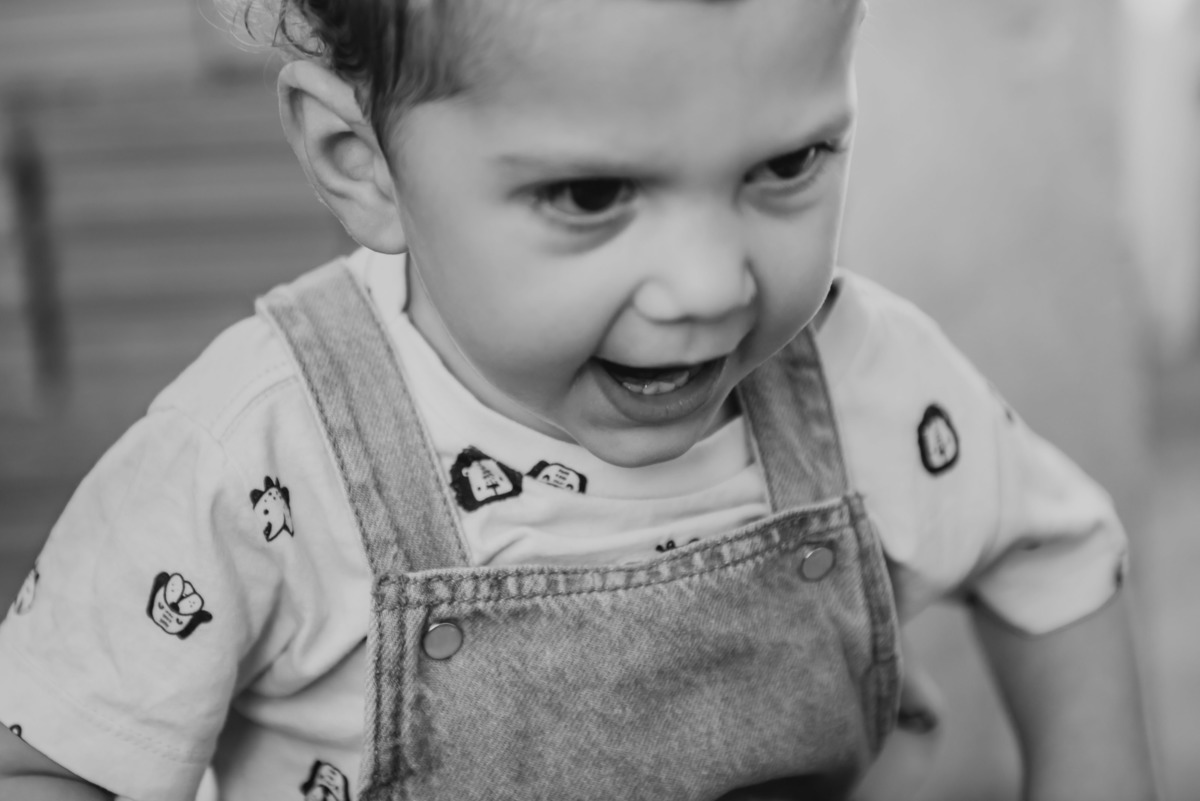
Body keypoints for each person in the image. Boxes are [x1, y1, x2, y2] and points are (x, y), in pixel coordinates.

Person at [0, 1, 1158, 799]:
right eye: (593, 195)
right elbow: (53, 754)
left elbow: (1053, 553)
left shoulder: (861, 379)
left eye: (786, 165)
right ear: (362, 161)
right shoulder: (258, 450)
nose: (711, 286)